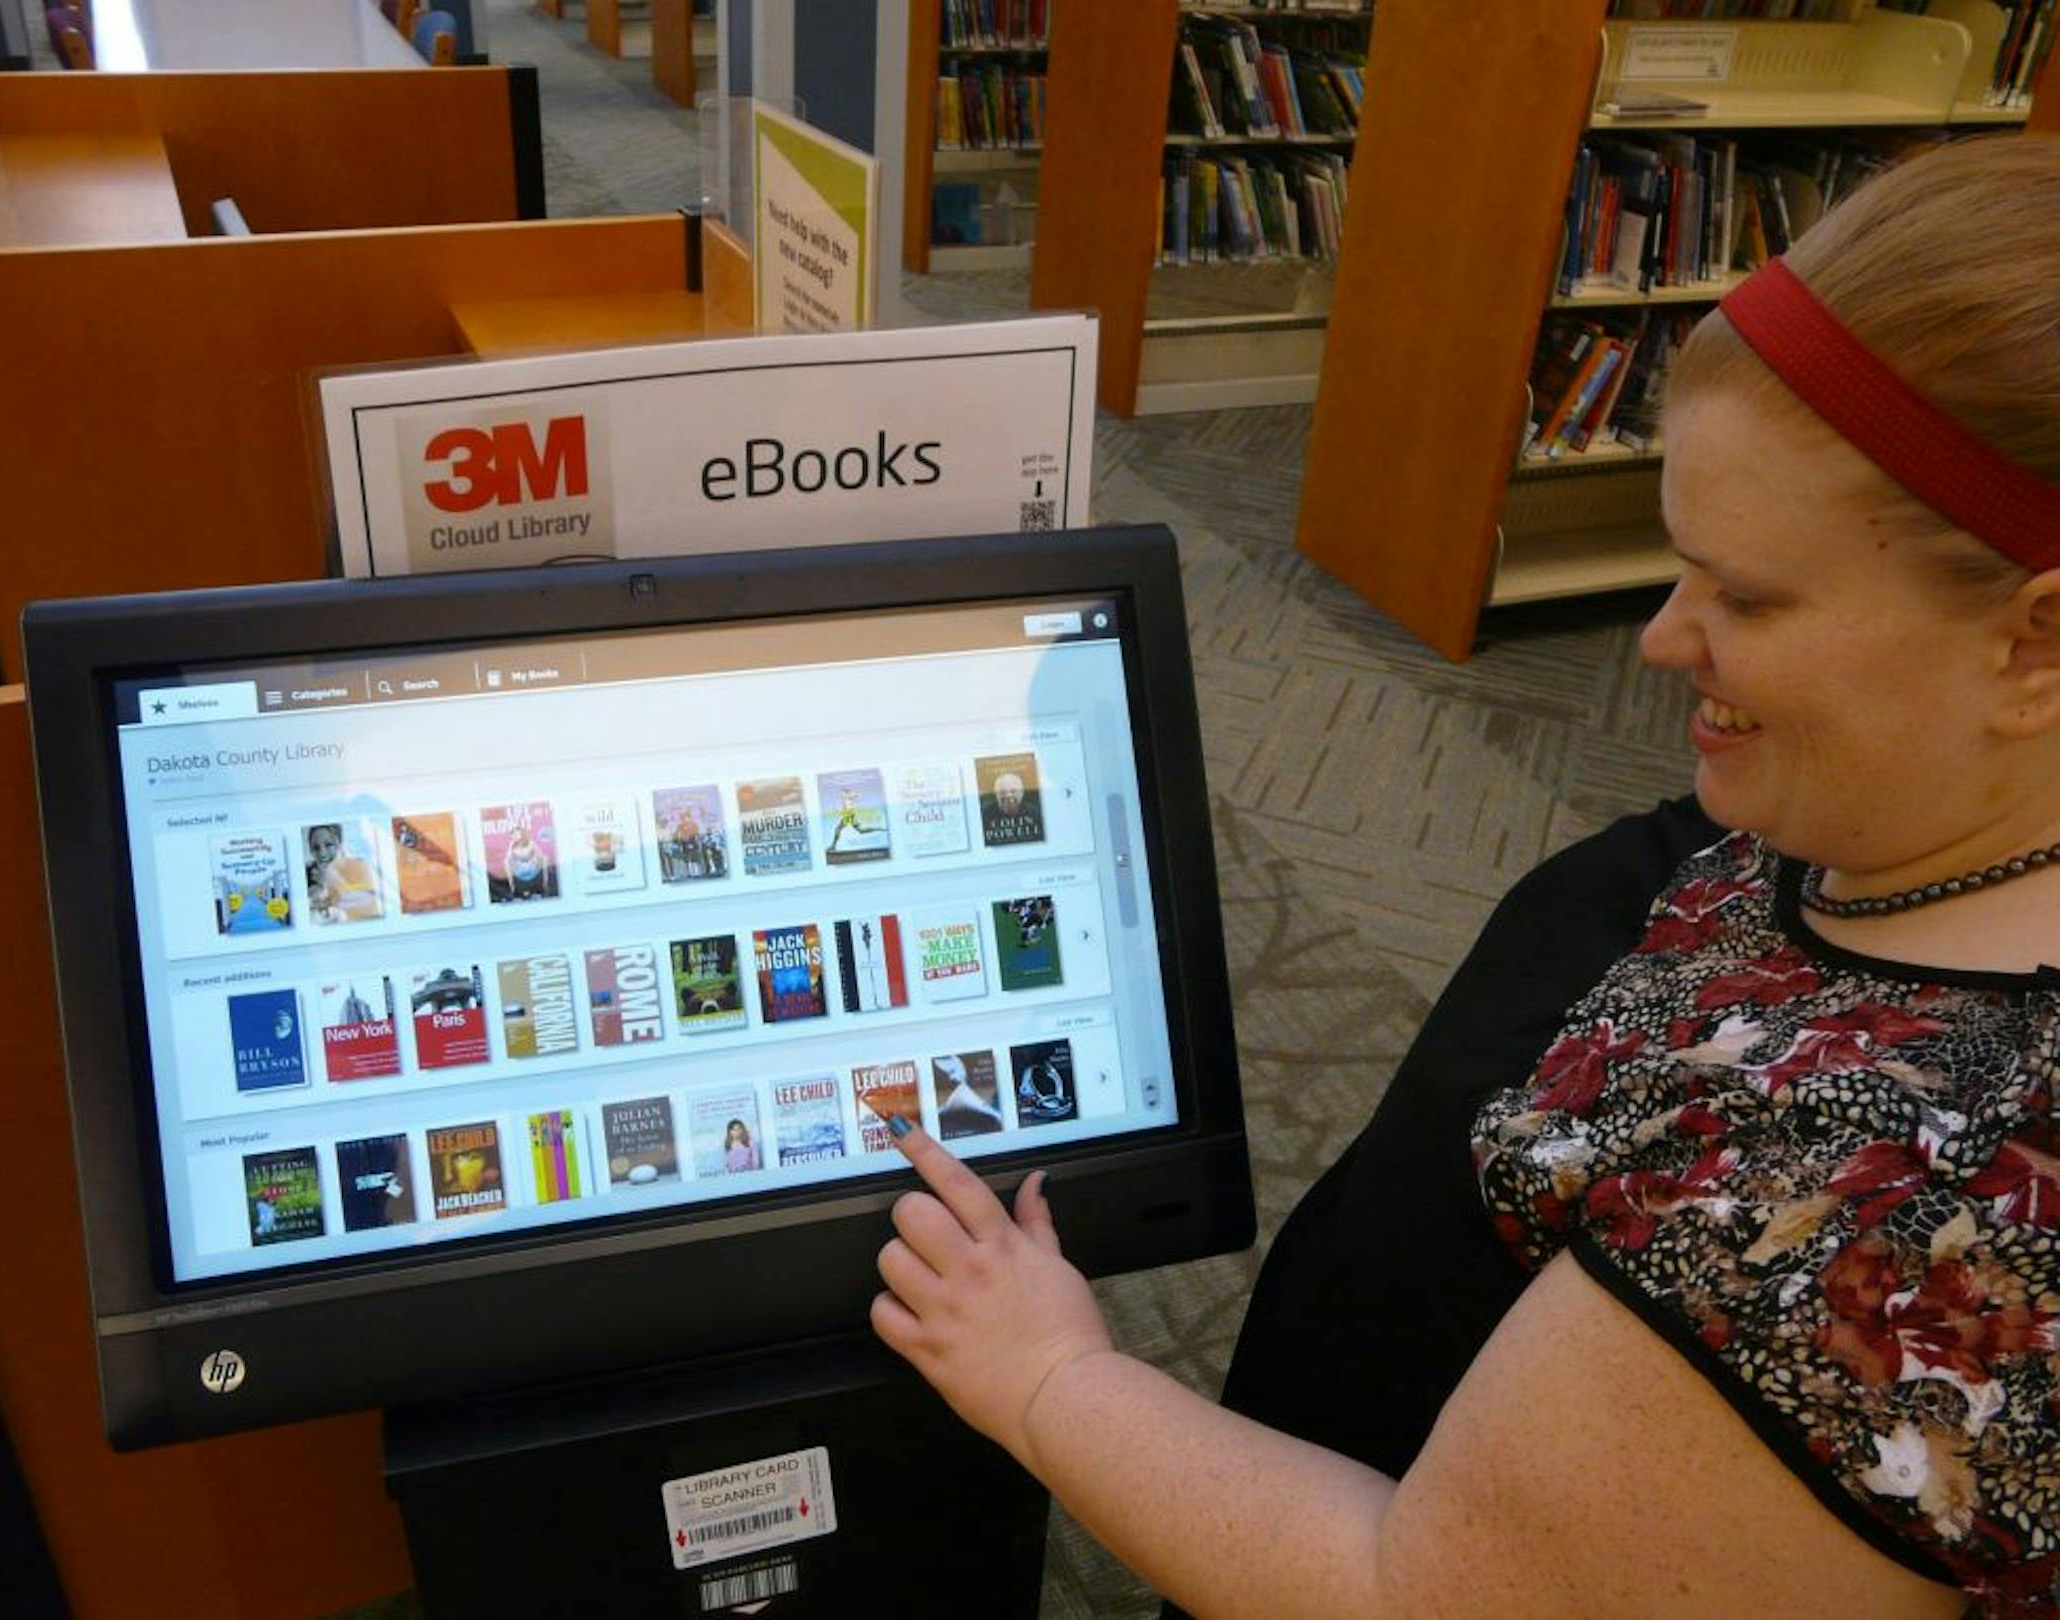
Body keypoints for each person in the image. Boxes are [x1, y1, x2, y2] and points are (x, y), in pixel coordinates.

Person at [870, 135, 2060, 1619]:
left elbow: (1420, 1596)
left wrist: (1043, 1378)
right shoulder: (1899, 806)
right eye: (1680, 561)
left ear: (2034, 642)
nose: (1662, 638)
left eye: (1746, 595)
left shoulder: (1899, 1212)